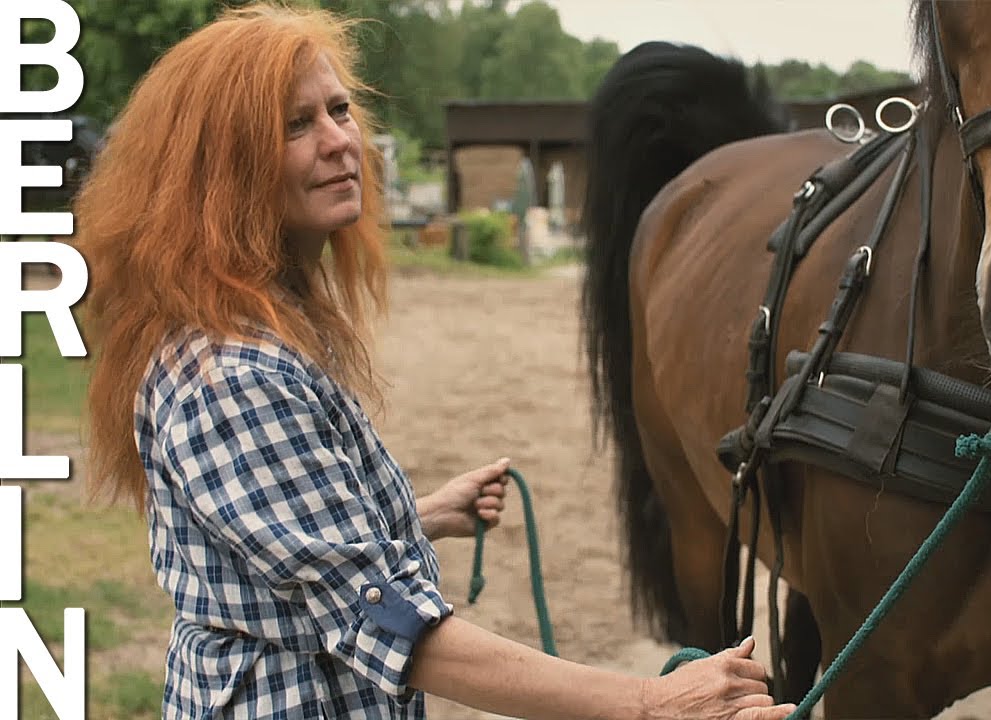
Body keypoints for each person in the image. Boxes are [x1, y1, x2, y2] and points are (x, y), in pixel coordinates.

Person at [74, 4, 796, 719]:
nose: (339, 142)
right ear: (221, 169)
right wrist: (648, 702)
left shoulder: (258, 332)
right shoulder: (232, 378)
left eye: (340, 111)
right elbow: (389, 625)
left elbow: (280, 555)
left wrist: (411, 519)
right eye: (297, 125)